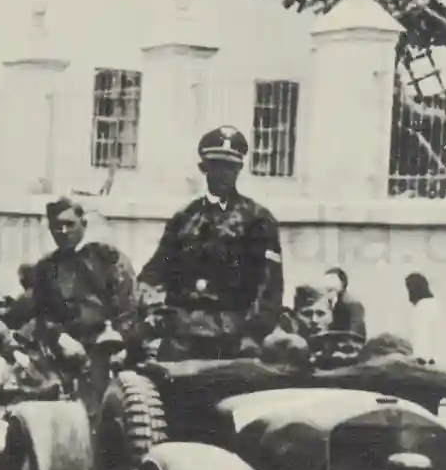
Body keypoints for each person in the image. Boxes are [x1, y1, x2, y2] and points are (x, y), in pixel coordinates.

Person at [138, 126, 285, 360]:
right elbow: (155, 272)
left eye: (230, 167)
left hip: (233, 333)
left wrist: (252, 334)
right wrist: (153, 312)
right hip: (182, 331)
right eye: (216, 166)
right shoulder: (184, 218)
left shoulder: (258, 220)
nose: (223, 174)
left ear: (239, 169)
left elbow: (269, 288)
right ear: (203, 169)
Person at [26, 197, 141, 375]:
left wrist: (120, 337)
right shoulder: (46, 268)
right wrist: (60, 338)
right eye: (56, 227)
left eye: (69, 224)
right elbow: (42, 314)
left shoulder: (107, 258)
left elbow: (128, 303)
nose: (63, 231)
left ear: (83, 224)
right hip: (66, 351)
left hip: (110, 346)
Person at [405, 271, 444, 366]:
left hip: (422, 361)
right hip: (434, 359)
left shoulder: (421, 307)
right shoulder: (435, 304)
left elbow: (420, 335)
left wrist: (419, 358)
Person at [319, 266, 368, 339]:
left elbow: (355, 334)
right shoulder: (325, 303)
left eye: (332, 282)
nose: (327, 286)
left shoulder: (353, 306)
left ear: (343, 284)